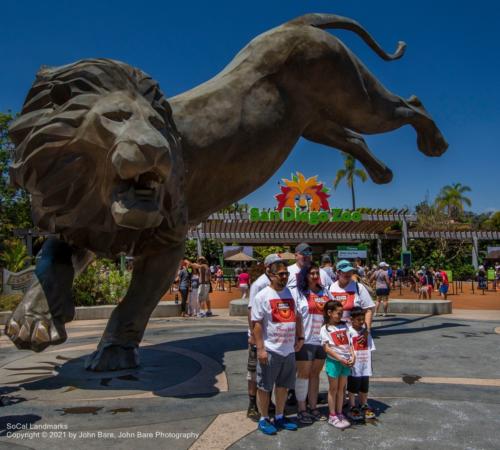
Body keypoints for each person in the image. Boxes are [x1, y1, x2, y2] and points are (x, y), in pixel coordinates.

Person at [252, 260, 304, 435]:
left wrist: (300, 337)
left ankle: (280, 416)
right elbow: (257, 324)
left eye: (286, 274)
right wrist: (260, 349)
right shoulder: (263, 296)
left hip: (288, 350)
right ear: (271, 275)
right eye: (281, 274)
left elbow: (297, 317)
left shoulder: (292, 294)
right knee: (265, 386)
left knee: (283, 386)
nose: (284, 277)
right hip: (270, 350)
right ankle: (264, 418)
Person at [292, 263, 331, 423]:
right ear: (305, 276)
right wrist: (298, 338)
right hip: (305, 340)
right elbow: (295, 317)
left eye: (317, 273)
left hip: (321, 340)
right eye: (312, 273)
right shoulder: (299, 293)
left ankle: (313, 407)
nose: (315, 276)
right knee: (303, 375)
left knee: (315, 375)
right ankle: (302, 408)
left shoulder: (326, 292)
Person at [246, 254, 282, 421]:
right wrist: (253, 335)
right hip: (259, 337)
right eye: (275, 266)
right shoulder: (259, 284)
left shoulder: (279, 284)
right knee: (254, 373)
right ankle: (253, 404)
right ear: (268, 267)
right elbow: (251, 311)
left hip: (274, 338)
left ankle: (269, 403)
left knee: (270, 372)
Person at [320, 300, 354, 429]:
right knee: (333, 389)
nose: (341, 316)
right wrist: (340, 358)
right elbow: (327, 348)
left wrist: (353, 357)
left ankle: (340, 413)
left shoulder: (345, 326)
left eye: (342, 313)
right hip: (334, 362)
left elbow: (350, 344)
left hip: (346, 361)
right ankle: (332, 415)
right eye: (338, 313)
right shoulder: (325, 328)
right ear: (329, 313)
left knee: (341, 389)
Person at [347, 307, 376, 421]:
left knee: (364, 386)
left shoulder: (366, 332)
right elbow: (348, 348)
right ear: (351, 319)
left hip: (365, 365)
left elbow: (370, 348)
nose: (361, 322)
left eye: (362, 319)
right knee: (353, 386)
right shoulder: (349, 332)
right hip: (354, 365)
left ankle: (364, 404)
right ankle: (352, 406)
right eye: (358, 319)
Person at [329, 260, 374, 329]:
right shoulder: (329, 289)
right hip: (335, 332)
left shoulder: (358, 287)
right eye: (344, 272)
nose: (348, 274)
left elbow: (368, 310)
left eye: (350, 271)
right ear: (337, 272)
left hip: (355, 333)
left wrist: (367, 330)